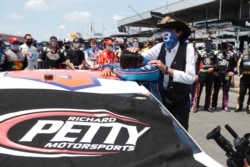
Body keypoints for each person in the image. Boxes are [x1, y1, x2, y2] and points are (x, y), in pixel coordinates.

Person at [104, 16, 195, 131]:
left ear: (179, 32)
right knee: (162, 131)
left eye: (170, 29)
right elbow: (138, 59)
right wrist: (130, 54)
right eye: (164, 29)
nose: (165, 33)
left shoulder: (188, 48)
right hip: (163, 98)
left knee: (180, 132)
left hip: (180, 100)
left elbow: (190, 78)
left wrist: (166, 69)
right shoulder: (159, 47)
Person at [210, 40, 237, 112]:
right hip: (218, 74)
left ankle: (225, 106)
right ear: (221, 45)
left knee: (226, 90)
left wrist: (233, 71)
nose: (224, 46)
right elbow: (212, 62)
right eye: (223, 44)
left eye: (225, 45)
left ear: (227, 45)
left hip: (226, 74)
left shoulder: (231, 54)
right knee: (216, 91)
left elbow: (235, 64)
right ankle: (213, 105)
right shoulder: (216, 53)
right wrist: (214, 71)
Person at [192, 38, 216, 113]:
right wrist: (196, 73)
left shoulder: (214, 52)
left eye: (209, 42)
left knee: (209, 91)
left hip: (210, 74)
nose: (208, 44)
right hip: (201, 74)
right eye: (207, 42)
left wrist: (213, 68)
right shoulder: (200, 51)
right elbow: (197, 63)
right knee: (198, 90)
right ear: (204, 43)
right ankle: (195, 106)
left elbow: (217, 63)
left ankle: (207, 106)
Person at [234, 44, 250, 114]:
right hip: (244, 77)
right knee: (241, 92)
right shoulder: (243, 56)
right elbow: (239, 65)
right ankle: (239, 106)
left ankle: (249, 107)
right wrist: (240, 74)